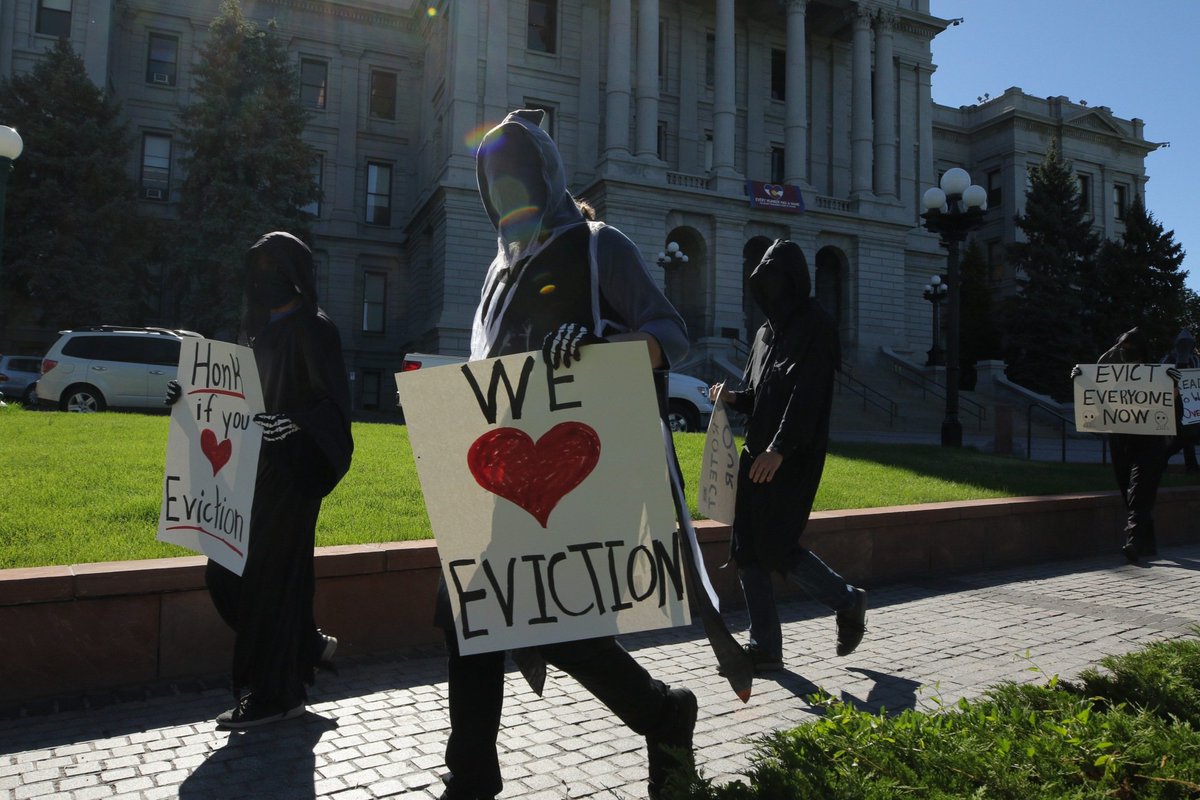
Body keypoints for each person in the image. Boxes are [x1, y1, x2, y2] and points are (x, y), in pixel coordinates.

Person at [436, 109, 697, 800]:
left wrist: (596, 349)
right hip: (504, 472)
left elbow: (672, 333)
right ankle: (472, 775)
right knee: (476, 610)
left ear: (544, 176)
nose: (503, 195)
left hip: (579, 471)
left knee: (541, 619)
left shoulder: (598, 245)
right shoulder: (496, 276)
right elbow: (489, 370)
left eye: (515, 177)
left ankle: (663, 714)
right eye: (491, 183)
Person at [166, 231, 354, 728]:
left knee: (269, 583)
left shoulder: (315, 330)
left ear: (296, 274)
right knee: (223, 574)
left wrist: (296, 425)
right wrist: (187, 397)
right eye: (258, 268)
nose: (264, 279)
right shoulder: (251, 333)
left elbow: (332, 407)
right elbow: (231, 401)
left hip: (292, 475)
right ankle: (306, 645)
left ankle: (274, 694)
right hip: (244, 474)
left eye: (276, 268)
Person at [709, 239, 867, 672]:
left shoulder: (817, 324)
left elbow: (808, 395)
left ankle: (847, 600)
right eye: (764, 280)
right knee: (746, 548)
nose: (769, 287)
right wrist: (731, 399)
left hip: (791, 458)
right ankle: (766, 649)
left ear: (794, 280)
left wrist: (779, 449)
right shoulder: (763, 334)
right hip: (755, 454)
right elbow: (761, 395)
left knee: (775, 545)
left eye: (777, 278)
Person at [1073, 327, 1170, 564]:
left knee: (1138, 492)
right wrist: (1082, 380)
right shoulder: (1113, 376)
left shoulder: (1157, 375)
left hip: (1150, 444)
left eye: (1131, 348)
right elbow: (1099, 401)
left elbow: (1168, 408)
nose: (1126, 352)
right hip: (1120, 441)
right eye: (1123, 347)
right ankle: (1149, 544)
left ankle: (1133, 543)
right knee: (1130, 492)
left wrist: (1173, 388)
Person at [1161, 328, 1200, 472]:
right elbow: (1161, 377)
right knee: (1182, 436)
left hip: (1190, 404)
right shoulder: (1168, 359)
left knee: (1189, 435)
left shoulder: (1194, 360)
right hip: (1173, 402)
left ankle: (1191, 465)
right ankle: (1163, 458)